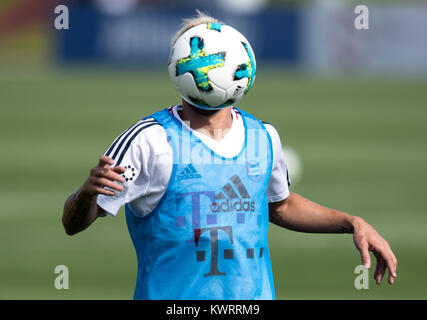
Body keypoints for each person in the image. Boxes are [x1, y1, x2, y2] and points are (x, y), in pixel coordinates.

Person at [62, 12, 397, 300]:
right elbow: (73, 225)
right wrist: (86, 193)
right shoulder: (149, 141)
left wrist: (352, 223)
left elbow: (279, 205)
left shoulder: (263, 136)